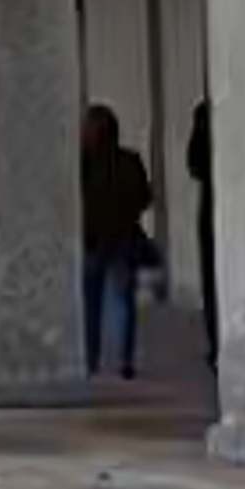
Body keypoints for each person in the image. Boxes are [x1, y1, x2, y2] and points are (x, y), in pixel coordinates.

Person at [77, 99, 155, 379]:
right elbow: (146, 197)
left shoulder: (82, 165)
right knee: (122, 300)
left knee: (92, 302)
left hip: (95, 239)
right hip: (123, 237)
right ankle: (123, 360)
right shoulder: (130, 161)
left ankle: (92, 358)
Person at [184, 89, 215, 351]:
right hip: (223, 201)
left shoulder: (204, 115)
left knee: (211, 276)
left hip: (210, 204)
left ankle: (215, 339)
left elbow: (192, 165)